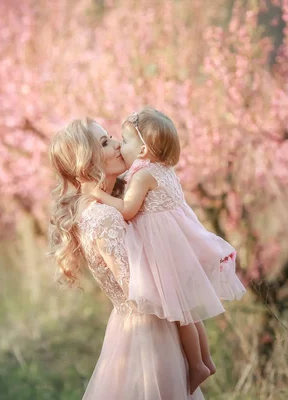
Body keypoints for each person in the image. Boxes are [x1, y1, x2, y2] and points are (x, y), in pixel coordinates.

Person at [86, 108, 247, 393]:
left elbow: (126, 210)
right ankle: (206, 360)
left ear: (144, 148)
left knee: (180, 314)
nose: (121, 147)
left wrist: (98, 195)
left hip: (162, 251)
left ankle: (197, 364)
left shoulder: (143, 175)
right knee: (190, 312)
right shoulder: (165, 169)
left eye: (125, 141)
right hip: (179, 245)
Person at [48, 117, 204, 399]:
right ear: (87, 161)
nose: (119, 144)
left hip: (148, 323)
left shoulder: (105, 206)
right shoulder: (104, 216)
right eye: (105, 142)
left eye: (112, 137)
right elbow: (140, 288)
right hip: (148, 332)